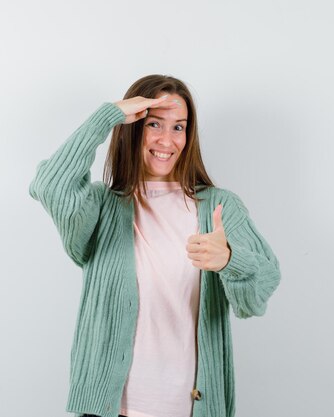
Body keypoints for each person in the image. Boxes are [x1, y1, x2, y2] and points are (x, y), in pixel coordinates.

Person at [28, 74, 281, 417]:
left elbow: (260, 289)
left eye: (179, 127)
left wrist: (230, 260)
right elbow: (50, 185)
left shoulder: (219, 206)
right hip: (110, 407)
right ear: (133, 128)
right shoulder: (101, 207)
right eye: (154, 124)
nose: (167, 139)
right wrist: (107, 116)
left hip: (192, 407)